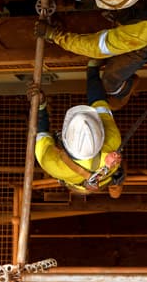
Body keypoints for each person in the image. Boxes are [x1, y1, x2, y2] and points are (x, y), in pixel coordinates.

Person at [34, 60, 125, 198]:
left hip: (92, 179)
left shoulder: (54, 163)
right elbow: (99, 103)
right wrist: (41, 107)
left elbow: (42, 136)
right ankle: (115, 186)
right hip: (105, 177)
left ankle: (92, 68)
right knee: (117, 183)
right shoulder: (112, 139)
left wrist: (39, 105)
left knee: (116, 181)